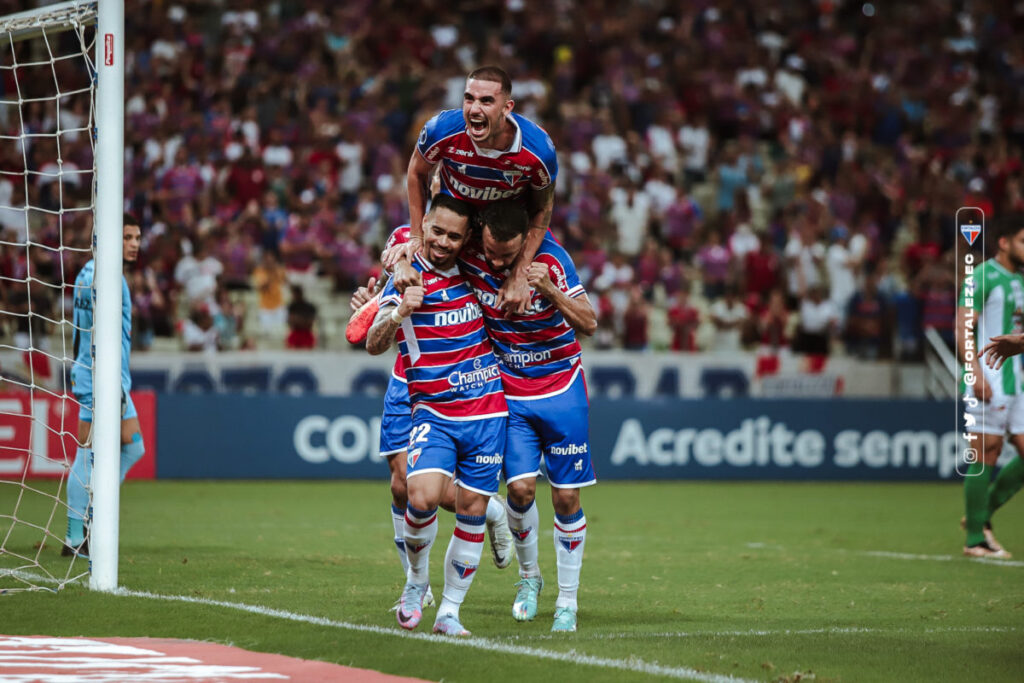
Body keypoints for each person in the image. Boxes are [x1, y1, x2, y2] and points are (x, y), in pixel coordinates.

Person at [346, 225, 513, 608]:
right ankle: (418, 586)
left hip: (459, 383)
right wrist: (376, 303)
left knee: (429, 491)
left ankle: (487, 509)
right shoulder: (404, 234)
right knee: (401, 485)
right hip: (408, 379)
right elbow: (396, 274)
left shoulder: (468, 236)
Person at [456, 200, 598, 633]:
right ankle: (529, 578)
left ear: (526, 240)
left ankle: (568, 602)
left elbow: (589, 322)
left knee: (566, 498)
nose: (497, 262)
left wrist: (550, 291)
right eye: (492, 252)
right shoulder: (472, 253)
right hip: (511, 391)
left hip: (560, 387)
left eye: (507, 255)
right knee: (518, 491)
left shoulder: (552, 258)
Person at [400, 65, 557, 316]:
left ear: (507, 108)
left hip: (506, 236)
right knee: (404, 264)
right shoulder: (440, 129)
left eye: (486, 101)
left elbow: (543, 208)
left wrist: (521, 270)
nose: (474, 109)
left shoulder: (538, 152)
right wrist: (417, 236)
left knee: (527, 298)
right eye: (469, 99)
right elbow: (416, 171)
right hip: (456, 226)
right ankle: (374, 302)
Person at [64, 215, 147, 557]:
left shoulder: (86, 273)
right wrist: (106, 384)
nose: (134, 243)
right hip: (102, 379)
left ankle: (91, 518)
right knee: (88, 451)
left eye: (137, 237)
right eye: (127, 236)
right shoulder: (111, 281)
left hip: (100, 376)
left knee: (133, 447)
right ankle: (75, 534)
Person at [957, 214, 1024, 559]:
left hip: (1019, 381)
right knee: (987, 451)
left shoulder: (1021, 280)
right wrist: (974, 372)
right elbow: (961, 328)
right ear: (1004, 242)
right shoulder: (981, 275)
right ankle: (974, 539)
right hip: (989, 376)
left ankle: (980, 516)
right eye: (1023, 241)